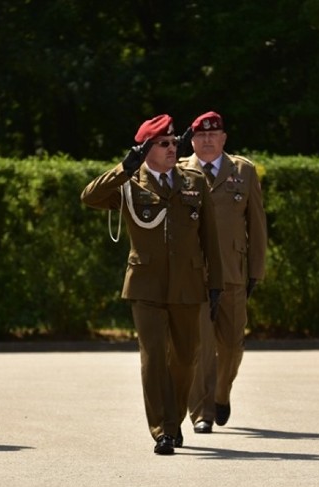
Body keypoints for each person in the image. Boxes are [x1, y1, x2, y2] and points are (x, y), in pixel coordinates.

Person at [81, 114, 224, 455]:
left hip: (188, 285)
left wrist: (215, 283)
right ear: (146, 150)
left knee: (186, 358)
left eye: (174, 142)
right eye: (164, 144)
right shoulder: (130, 183)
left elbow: (211, 238)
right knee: (154, 357)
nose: (173, 148)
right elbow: (90, 197)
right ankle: (163, 430)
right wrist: (124, 167)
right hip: (146, 285)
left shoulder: (193, 181)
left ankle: (173, 420)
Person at [179, 111, 268, 432]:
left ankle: (221, 392)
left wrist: (255, 270)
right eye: (200, 136)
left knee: (231, 346)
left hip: (232, 271)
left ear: (223, 139)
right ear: (192, 140)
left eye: (213, 135)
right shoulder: (179, 172)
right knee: (200, 347)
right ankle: (201, 413)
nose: (206, 140)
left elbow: (256, 224)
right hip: (194, 274)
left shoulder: (243, 171)